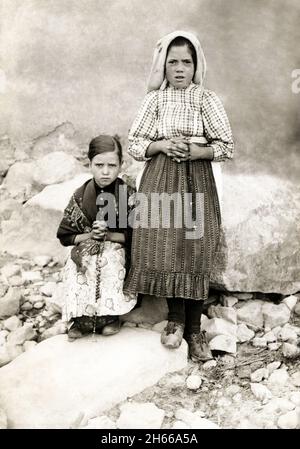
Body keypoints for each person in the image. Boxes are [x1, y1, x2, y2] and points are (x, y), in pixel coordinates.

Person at [124, 30, 234, 361]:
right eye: (173, 62)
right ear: (163, 66)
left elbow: (225, 146)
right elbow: (135, 143)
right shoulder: (154, 100)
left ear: (196, 65)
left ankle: (195, 328)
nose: (180, 68)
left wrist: (196, 151)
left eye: (187, 61)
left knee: (196, 245)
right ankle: (174, 319)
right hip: (160, 178)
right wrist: (160, 144)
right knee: (165, 243)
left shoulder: (206, 99)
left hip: (197, 178)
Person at [57, 135, 137, 341]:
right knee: (78, 263)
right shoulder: (81, 195)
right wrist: (90, 235)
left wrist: (109, 235)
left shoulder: (128, 194)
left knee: (109, 260)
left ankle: (109, 317)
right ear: (89, 163)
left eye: (112, 165)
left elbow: (138, 235)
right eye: (99, 165)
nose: (105, 171)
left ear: (121, 165)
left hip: (118, 247)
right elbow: (65, 236)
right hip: (87, 245)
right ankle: (81, 318)